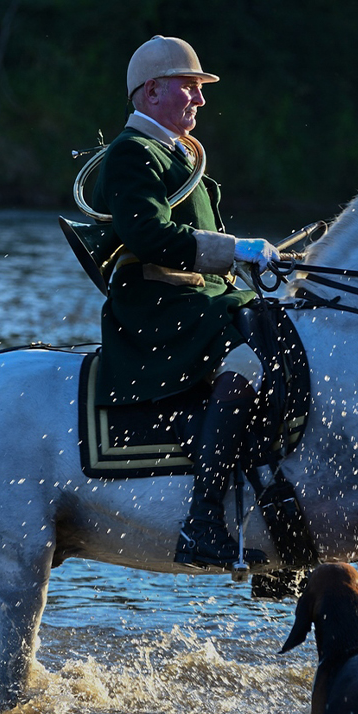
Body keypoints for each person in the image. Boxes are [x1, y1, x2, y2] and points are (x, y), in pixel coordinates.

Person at [91, 35, 278, 570]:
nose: (200, 99)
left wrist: (251, 262)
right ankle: (202, 519)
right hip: (155, 305)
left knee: (285, 328)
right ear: (151, 92)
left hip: (199, 298)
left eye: (200, 90)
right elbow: (148, 235)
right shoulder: (131, 153)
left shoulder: (182, 157)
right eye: (190, 88)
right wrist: (234, 250)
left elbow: (204, 244)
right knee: (249, 357)